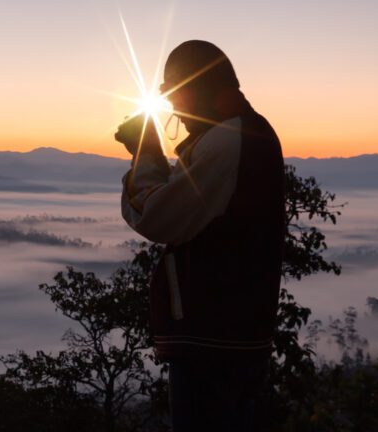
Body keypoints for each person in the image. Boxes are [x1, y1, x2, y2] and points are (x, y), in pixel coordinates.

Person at [115, 40, 285, 431]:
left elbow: (158, 217)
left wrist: (145, 152)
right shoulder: (241, 134)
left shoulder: (228, 142)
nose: (174, 107)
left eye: (176, 94)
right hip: (234, 339)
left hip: (214, 342)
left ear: (196, 89)